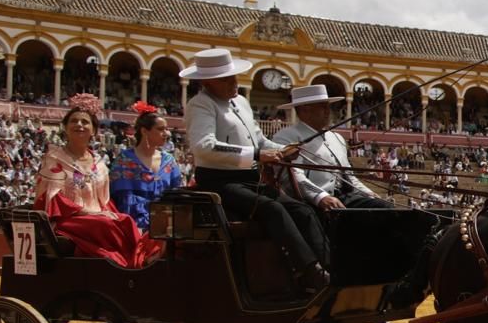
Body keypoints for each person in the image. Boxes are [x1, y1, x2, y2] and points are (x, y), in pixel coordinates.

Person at [181, 47, 330, 291]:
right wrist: (258, 155)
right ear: (207, 82)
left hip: (249, 178)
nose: (234, 82)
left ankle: (327, 265)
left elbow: (259, 140)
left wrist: (283, 150)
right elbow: (204, 146)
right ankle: (309, 271)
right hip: (219, 181)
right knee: (272, 209)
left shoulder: (241, 102)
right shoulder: (200, 104)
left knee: (302, 210)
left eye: (233, 76)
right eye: (226, 79)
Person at [34, 94, 161, 269]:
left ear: (93, 130)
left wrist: (109, 214)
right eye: (74, 121)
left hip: (96, 217)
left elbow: (104, 201)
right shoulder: (54, 159)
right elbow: (53, 199)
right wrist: (92, 213)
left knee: (125, 220)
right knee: (105, 224)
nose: (79, 124)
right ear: (65, 127)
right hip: (68, 220)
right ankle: (126, 264)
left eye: (85, 122)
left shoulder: (99, 164)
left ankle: (139, 262)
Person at [273, 85, 392, 211]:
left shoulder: (337, 138)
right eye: (323, 107)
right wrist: (320, 197)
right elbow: (293, 176)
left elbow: (349, 176)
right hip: (311, 202)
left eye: (328, 107)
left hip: (345, 197)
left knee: (385, 208)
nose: (328, 111)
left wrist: (368, 193)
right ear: (305, 110)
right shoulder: (286, 136)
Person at [110, 101, 183, 231]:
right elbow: (122, 199)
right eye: (160, 129)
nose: (167, 134)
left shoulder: (169, 161)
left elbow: (177, 195)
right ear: (144, 131)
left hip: (165, 226)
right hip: (132, 226)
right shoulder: (124, 160)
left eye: (167, 129)